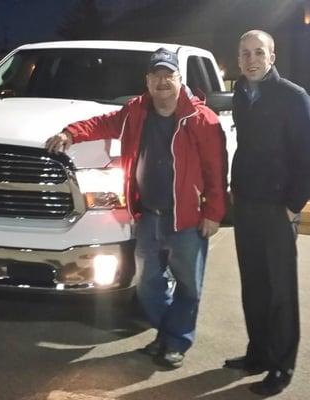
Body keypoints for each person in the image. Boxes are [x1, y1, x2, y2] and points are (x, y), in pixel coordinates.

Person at [46, 48, 227, 368]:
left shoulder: (201, 119)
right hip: (148, 215)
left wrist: (213, 213)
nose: (161, 81)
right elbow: (103, 122)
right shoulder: (135, 111)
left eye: (168, 75)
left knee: (188, 285)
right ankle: (168, 332)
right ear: (147, 80)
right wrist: (70, 133)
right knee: (147, 287)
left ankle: (175, 343)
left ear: (179, 79)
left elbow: (216, 169)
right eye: (155, 75)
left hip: (186, 217)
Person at [224, 30, 310, 395]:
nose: (251, 59)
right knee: (254, 284)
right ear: (238, 59)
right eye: (245, 52)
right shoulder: (241, 94)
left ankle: (282, 366)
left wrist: (293, 205)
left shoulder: (293, 97)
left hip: (277, 208)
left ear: (272, 57)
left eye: (258, 52)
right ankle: (259, 353)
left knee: (281, 290)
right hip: (247, 204)